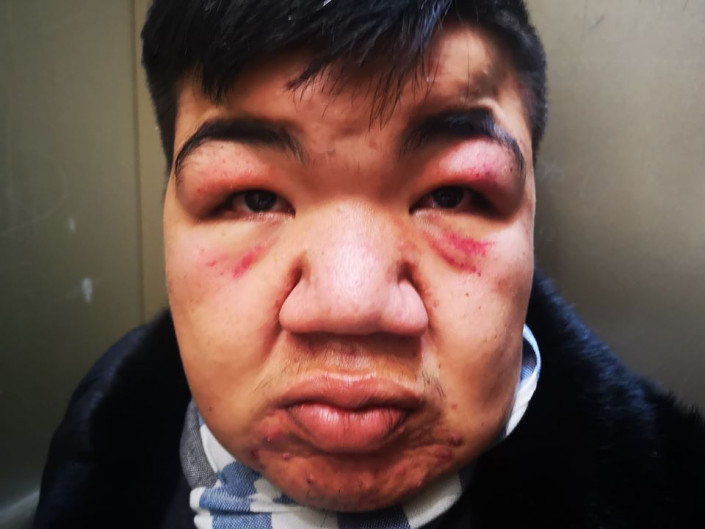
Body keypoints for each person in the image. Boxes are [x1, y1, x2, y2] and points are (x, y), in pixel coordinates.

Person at [35, 0, 705, 527]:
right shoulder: (95, 432)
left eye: (451, 194)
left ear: (528, 220)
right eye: (254, 197)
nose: (350, 304)